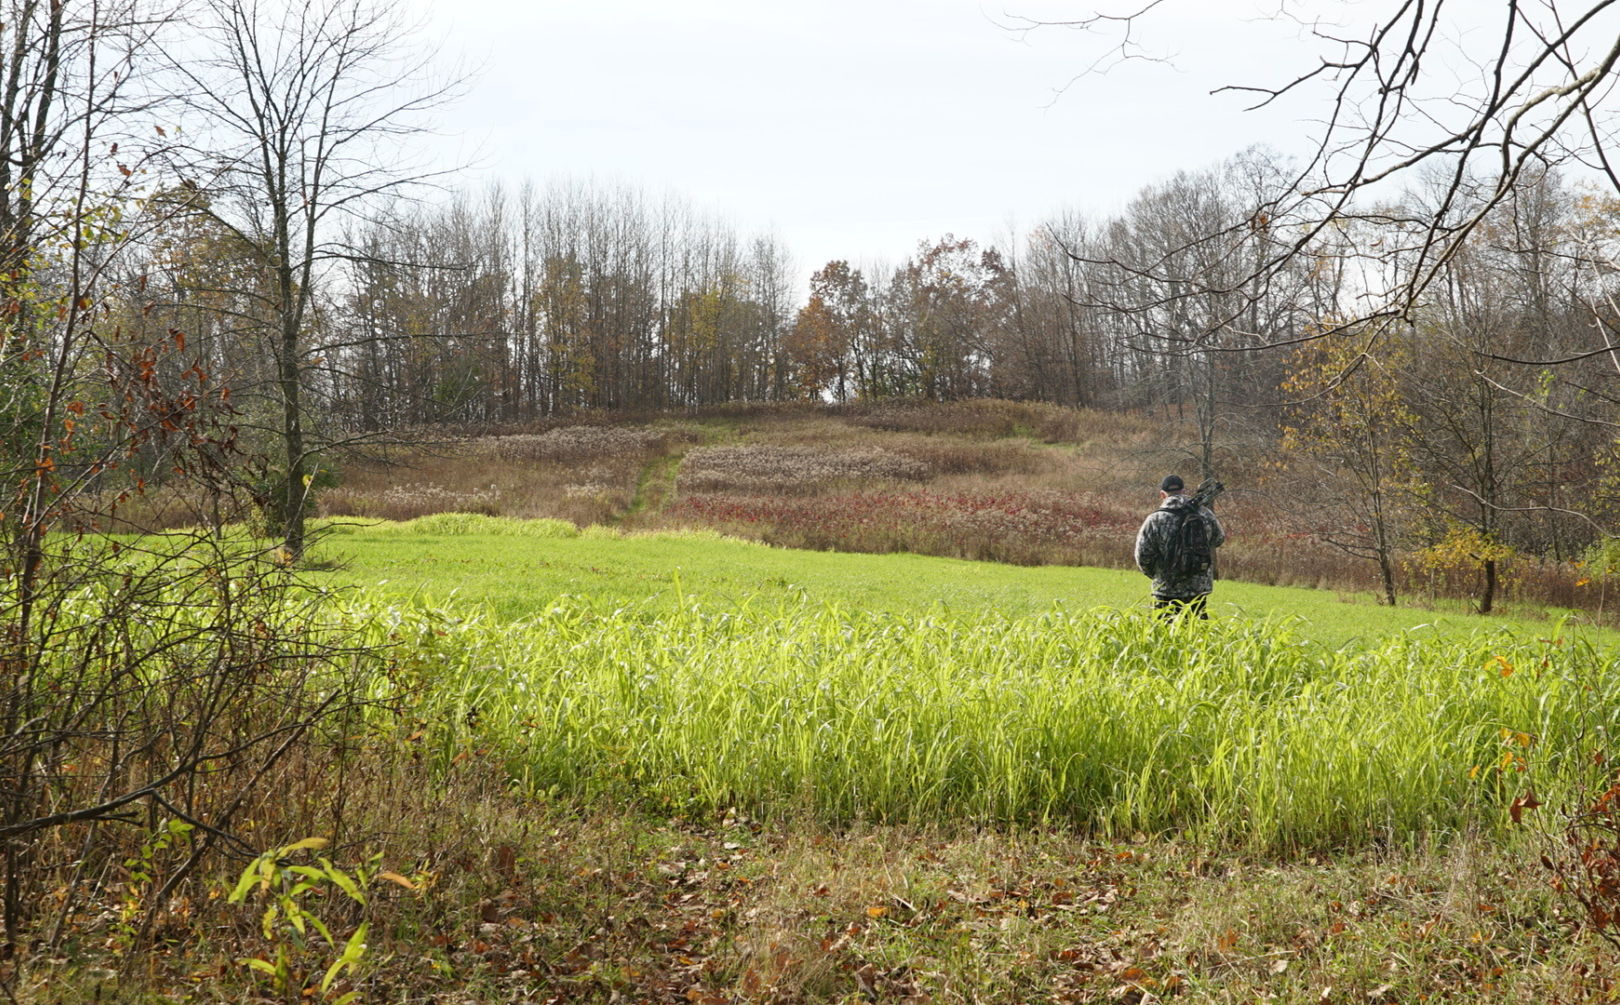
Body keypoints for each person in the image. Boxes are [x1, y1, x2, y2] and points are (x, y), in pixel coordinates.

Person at [1134, 474, 1225, 619]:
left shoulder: (1155, 519)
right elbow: (1219, 538)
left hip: (1165, 590)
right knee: (1196, 635)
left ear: (1162, 495)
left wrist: (1157, 575)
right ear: (1183, 491)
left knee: (1164, 636)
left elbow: (1142, 556)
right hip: (1197, 590)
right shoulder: (1204, 513)